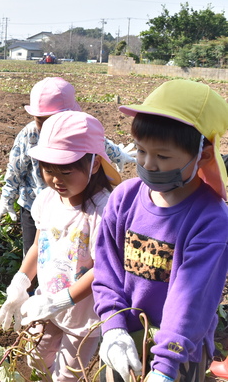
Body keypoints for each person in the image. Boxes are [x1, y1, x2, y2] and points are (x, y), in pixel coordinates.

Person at [92, 79, 228, 382]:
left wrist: (166, 367)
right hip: (124, 342)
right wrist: (112, 326)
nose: (148, 164)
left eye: (163, 156)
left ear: (203, 155)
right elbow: (107, 270)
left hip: (178, 351)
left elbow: (191, 299)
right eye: (141, 151)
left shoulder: (210, 219)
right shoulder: (124, 198)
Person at [0, 111, 120, 382]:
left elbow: (103, 268)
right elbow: (40, 245)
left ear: (95, 164)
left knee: (66, 377)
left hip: (83, 319)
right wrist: (21, 281)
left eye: (66, 171)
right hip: (45, 306)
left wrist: (61, 301)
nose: (56, 180)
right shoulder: (46, 199)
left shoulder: (103, 211)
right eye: (48, 170)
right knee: (31, 363)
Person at [0, 76, 136, 255]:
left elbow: (98, 143)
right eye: (40, 120)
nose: (48, 127)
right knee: (36, 252)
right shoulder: (29, 134)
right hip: (33, 205)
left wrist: (116, 155)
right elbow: (15, 169)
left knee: (67, 254)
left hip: (72, 204)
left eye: (53, 119)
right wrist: (6, 199)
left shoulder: (77, 129)